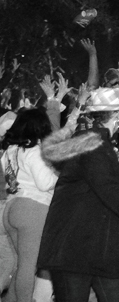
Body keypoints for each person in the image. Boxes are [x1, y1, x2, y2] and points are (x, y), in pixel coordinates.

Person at [38, 86, 119, 302]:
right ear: (118, 115)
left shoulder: (99, 143)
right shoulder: (93, 144)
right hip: (74, 248)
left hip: (99, 247)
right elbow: (107, 185)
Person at [1, 109, 57, 302]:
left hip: (12, 207)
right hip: (33, 209)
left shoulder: (9, 152)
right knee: (29, 265)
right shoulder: (33, 151)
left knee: (20, 264)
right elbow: (44, 183)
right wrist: (59, 174)